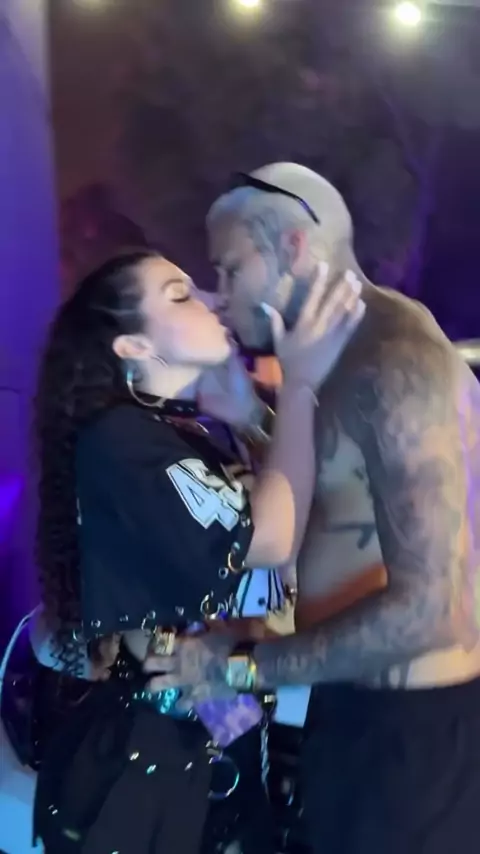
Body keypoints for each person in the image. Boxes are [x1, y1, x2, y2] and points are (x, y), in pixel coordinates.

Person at [146, 163, 480, 854]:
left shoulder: (396, 363)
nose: (220, 293)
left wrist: (242, 667)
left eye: (231, 268)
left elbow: (431, 610)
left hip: (409, 745)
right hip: (359, 717)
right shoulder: (343, 356)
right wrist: (250, 415)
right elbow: (340, 485)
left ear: (294, 249)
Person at [32, 249, 362, 854]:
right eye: (181, 294)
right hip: (145, 772)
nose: (213, 299)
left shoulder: (177, 437)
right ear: (133, 345)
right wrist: (300, 386)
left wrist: (249, 415)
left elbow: (294, 533)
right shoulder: (119, 439)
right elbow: (270, 538)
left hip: (205, 750)